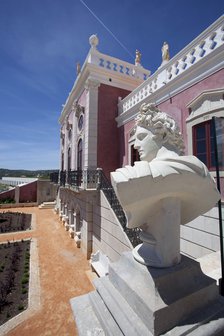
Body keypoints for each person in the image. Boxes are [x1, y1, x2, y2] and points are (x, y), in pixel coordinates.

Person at [111, 103, 220, 267]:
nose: (135, 145)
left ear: (162, 135)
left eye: (141, 137)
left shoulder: (130, 177)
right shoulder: (200, 170)